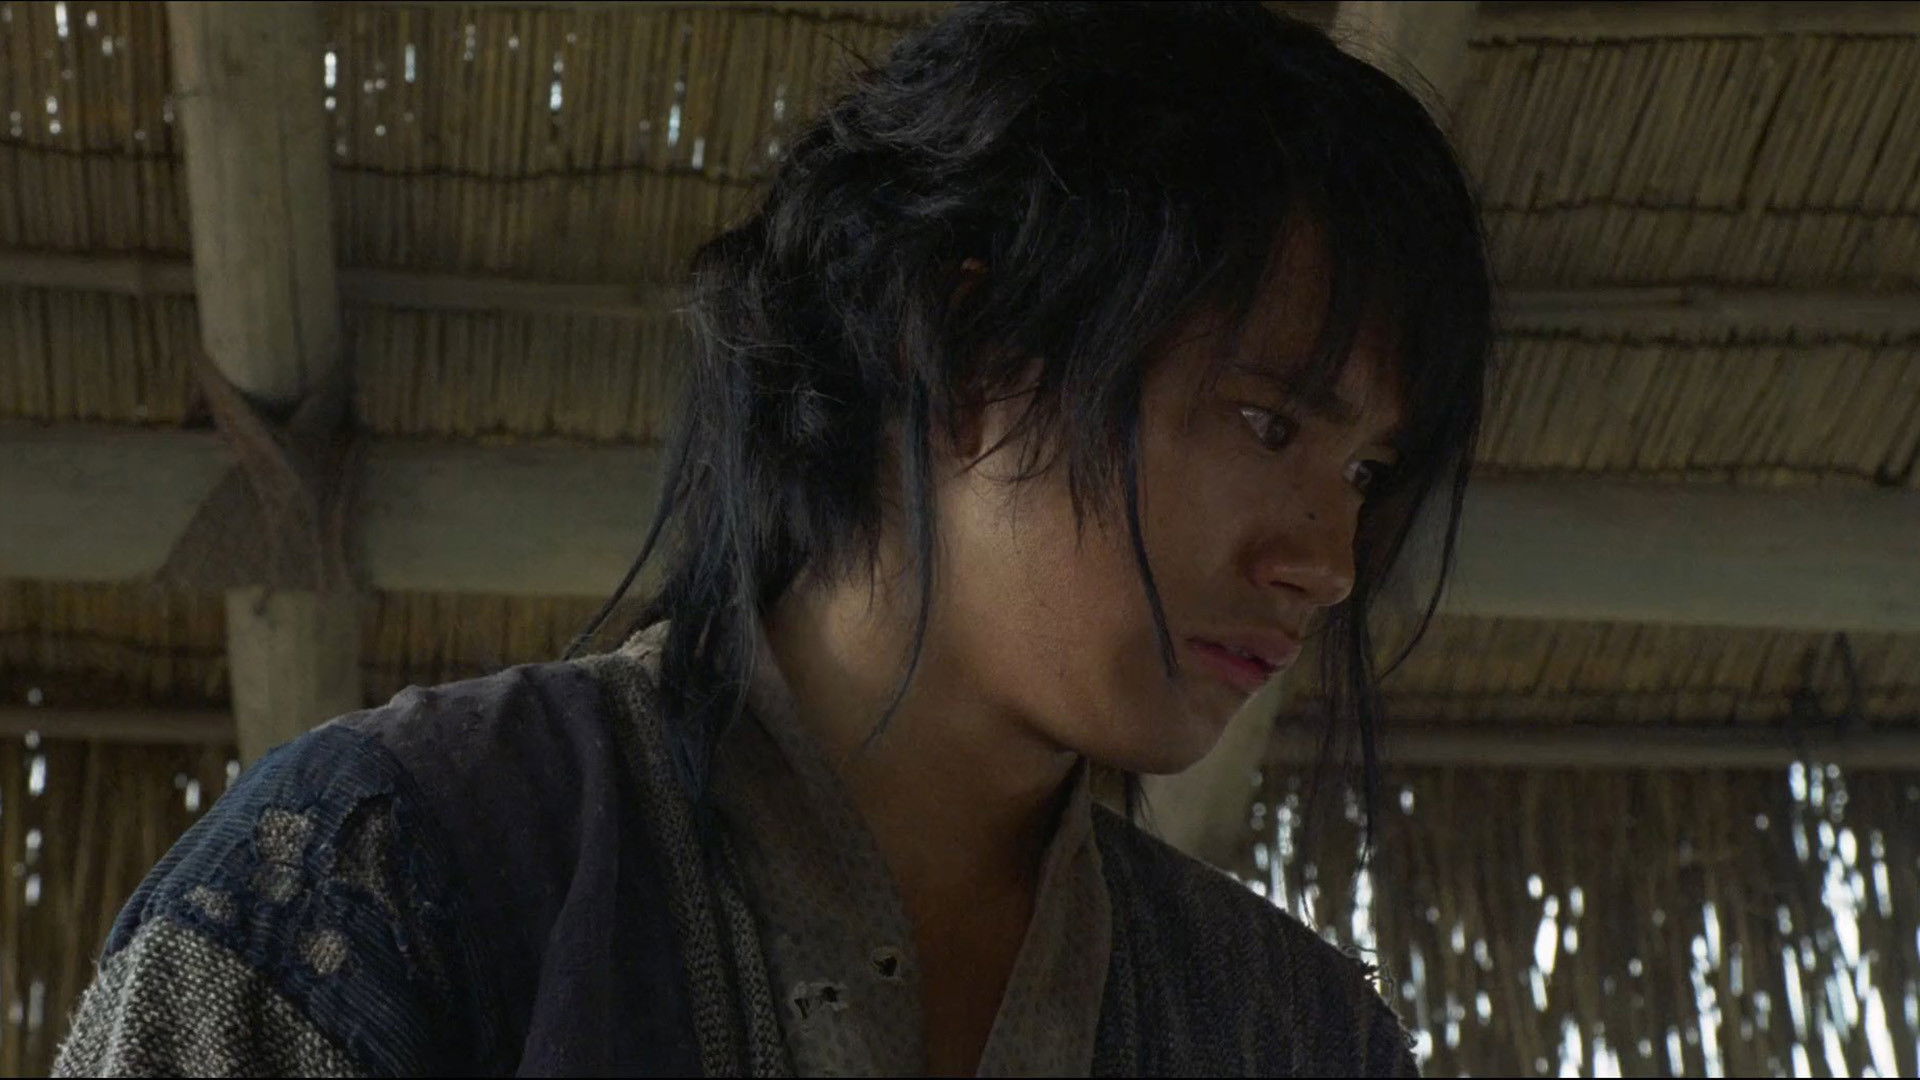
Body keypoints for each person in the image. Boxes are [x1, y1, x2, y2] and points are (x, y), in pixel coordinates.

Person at [55, 2, 1490, 1075]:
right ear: (968, 353)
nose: (1330, 560)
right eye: (1267, 424)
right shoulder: (383, 879)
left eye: (1369, 470)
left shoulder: (1291, 1034)